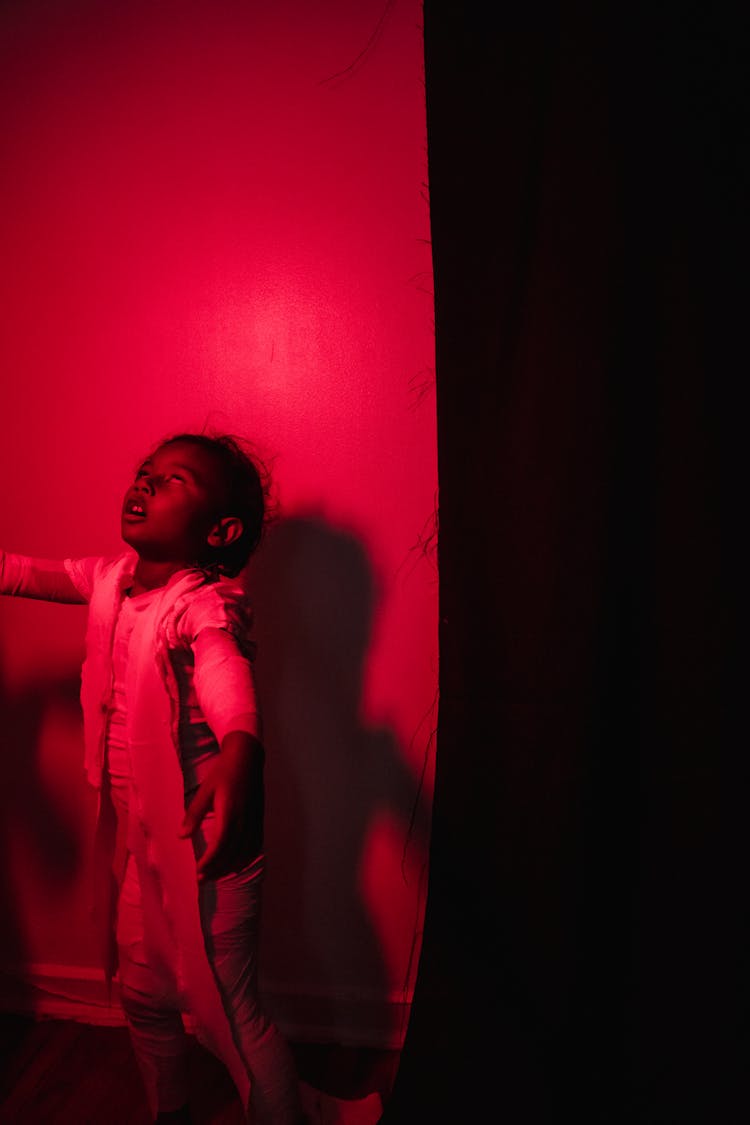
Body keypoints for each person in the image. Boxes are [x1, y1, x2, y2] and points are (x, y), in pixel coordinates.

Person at [0, 431, 303, 1125]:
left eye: (172, 480)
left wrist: (238, 748)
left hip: (213, 842)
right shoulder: (108, 580)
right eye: (144, 471)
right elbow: (21, 571)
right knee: (144, 992)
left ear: (220, 529)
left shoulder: (202, 603)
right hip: (147, 835)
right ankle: (172, 1112)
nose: (144, 482)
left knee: (231, 1003)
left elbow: (224, 669)